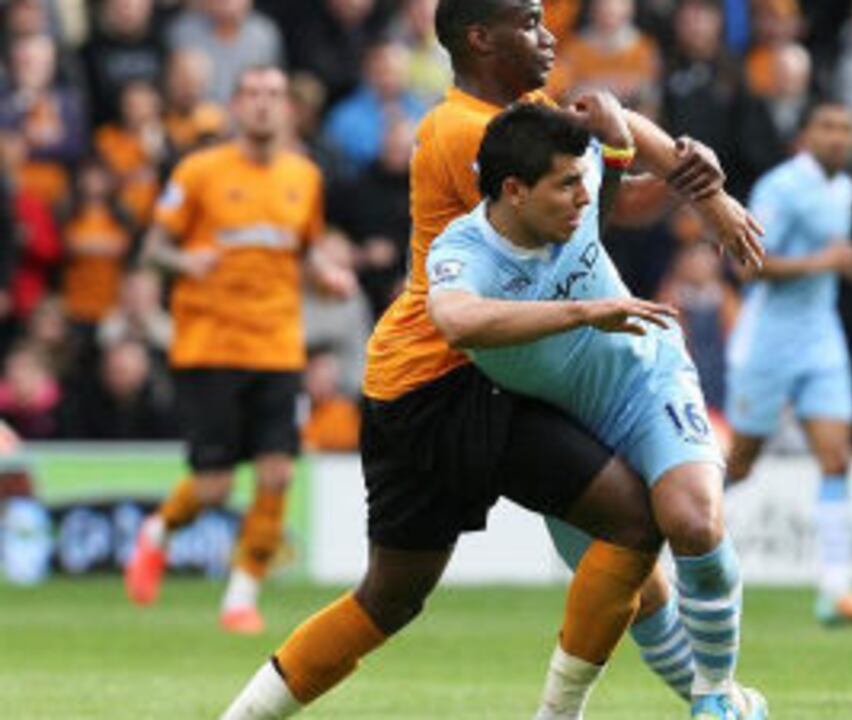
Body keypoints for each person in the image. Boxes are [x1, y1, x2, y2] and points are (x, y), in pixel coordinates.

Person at [219, 1, 764, 717]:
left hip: (441, 378)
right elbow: (585, 212)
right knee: (626, 529)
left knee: (393, 597)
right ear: (481, 38)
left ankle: (708, 701)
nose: (549, 35)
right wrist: (668, 185)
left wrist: (700, 190)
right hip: (452, 379)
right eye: (530, 21)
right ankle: (642, 705)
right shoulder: (467, 134)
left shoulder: (522, 111)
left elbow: (613, 142)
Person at [428, 100, 766, 720]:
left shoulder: (568, 168)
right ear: (515, 190)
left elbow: (615, 116)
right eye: (566, 187)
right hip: (560, 429)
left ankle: (715, 695)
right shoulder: (463, 250)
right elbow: (455, 320)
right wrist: (582, 312)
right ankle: (725, 705)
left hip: (645, 380)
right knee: (640, 593)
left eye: (584, 181)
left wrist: (707, 195)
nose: (585, 198)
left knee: (693, 520)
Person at [123, 66, 358, 634]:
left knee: (277, 473)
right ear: (235, 106)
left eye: (274, 95)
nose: (263, 105)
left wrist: (325, 273)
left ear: (287, 109)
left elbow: (303, 248)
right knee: (215, 487)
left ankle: (241, 596)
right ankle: (158, 531)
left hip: (277, 345)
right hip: (210, 345)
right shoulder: (199, 171)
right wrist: (185, 260)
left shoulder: (304, 176)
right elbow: (153, 248)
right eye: (252, 94)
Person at [723, 100, 852, 625]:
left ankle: (836, 590)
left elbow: (833, 259)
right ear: (806, 135)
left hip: (820, 338)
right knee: (739, 464)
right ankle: (658, 531)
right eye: (828, 126)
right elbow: (748, 265)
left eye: (846, 128)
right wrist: (825, 261)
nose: (839, 137)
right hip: (767, 341)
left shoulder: (844, 188)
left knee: (836, 458)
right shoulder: (780, 188)